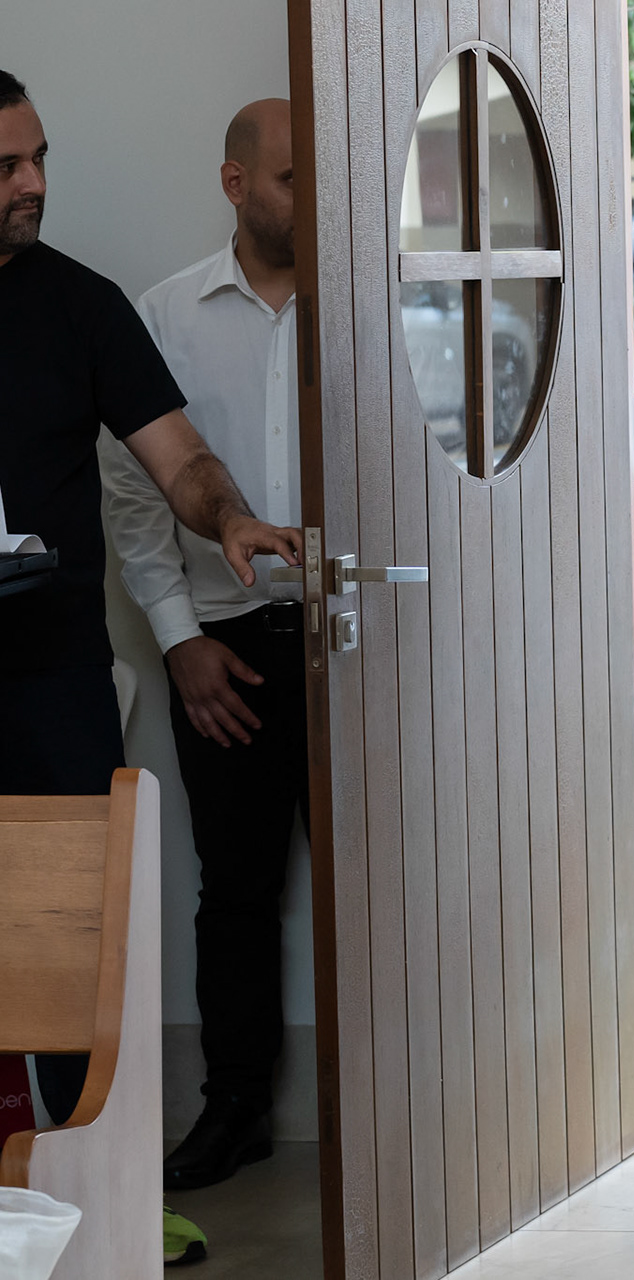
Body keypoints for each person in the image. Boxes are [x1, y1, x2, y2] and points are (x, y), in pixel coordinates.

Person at [0, 67, 301, 1121]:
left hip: (53, 678)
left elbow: (177, 460)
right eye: (7, 166)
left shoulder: (82, 305)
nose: (34, 183)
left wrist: (231, 519)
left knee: (72, 940)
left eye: (40, 159)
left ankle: (87, 1174)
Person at [100, 99, 305, 1193]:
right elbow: (134, 500)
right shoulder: (164, 316)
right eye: (288, 180)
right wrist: (179, 639)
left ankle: (401, 1105)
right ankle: (234, 1107)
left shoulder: (372, 308)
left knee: (385, 881)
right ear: (234, 184)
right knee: (233, 890)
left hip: (355, 640)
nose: (309, 201)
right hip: (227, 651)